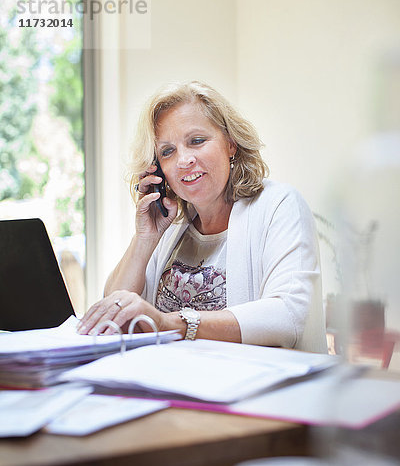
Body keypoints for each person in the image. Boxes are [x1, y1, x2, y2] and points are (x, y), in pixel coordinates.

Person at [78, 81, 327, 353]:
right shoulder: (172, 228)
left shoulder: (279, 204)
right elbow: (116, 309)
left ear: (230, 143)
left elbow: (287, 316)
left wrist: (172, 323)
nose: (184, 160)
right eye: (167, 151)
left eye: (196, 141)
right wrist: (145, 238)